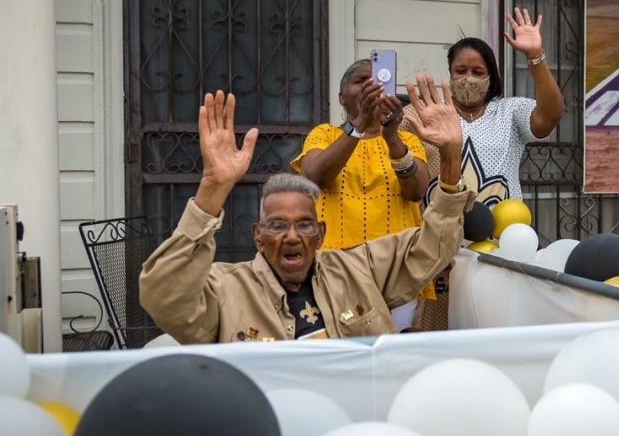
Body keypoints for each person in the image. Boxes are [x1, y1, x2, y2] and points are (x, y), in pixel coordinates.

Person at [139, 78, 470, 343]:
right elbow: (164, 297)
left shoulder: (357, 270)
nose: (293, 236)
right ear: (257, 235)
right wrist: (212, 188)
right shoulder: (228, 289)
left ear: (320, 233)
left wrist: (452, 158)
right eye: (278, 225)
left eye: (304, 225)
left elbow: (433, 247)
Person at [402, 7, 565, 206]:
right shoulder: (429, 114)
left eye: (478, 72)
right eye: (460, 71)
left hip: (502, 232)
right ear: (450, 73)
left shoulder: (510, 111)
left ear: (491, 76)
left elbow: (551, 116)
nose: (468, 79)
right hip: (440, 229)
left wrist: (535, 55)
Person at [291, 59, 429, 250]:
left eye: (378, 81)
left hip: (396, 266)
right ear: (342, 97)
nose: (370, 87)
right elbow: (315, 178)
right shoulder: (324, 134)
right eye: (362, 80)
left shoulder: (406, 141)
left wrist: (391, 137)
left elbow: (416, 192)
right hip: (335, 265)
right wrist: (360, 122)